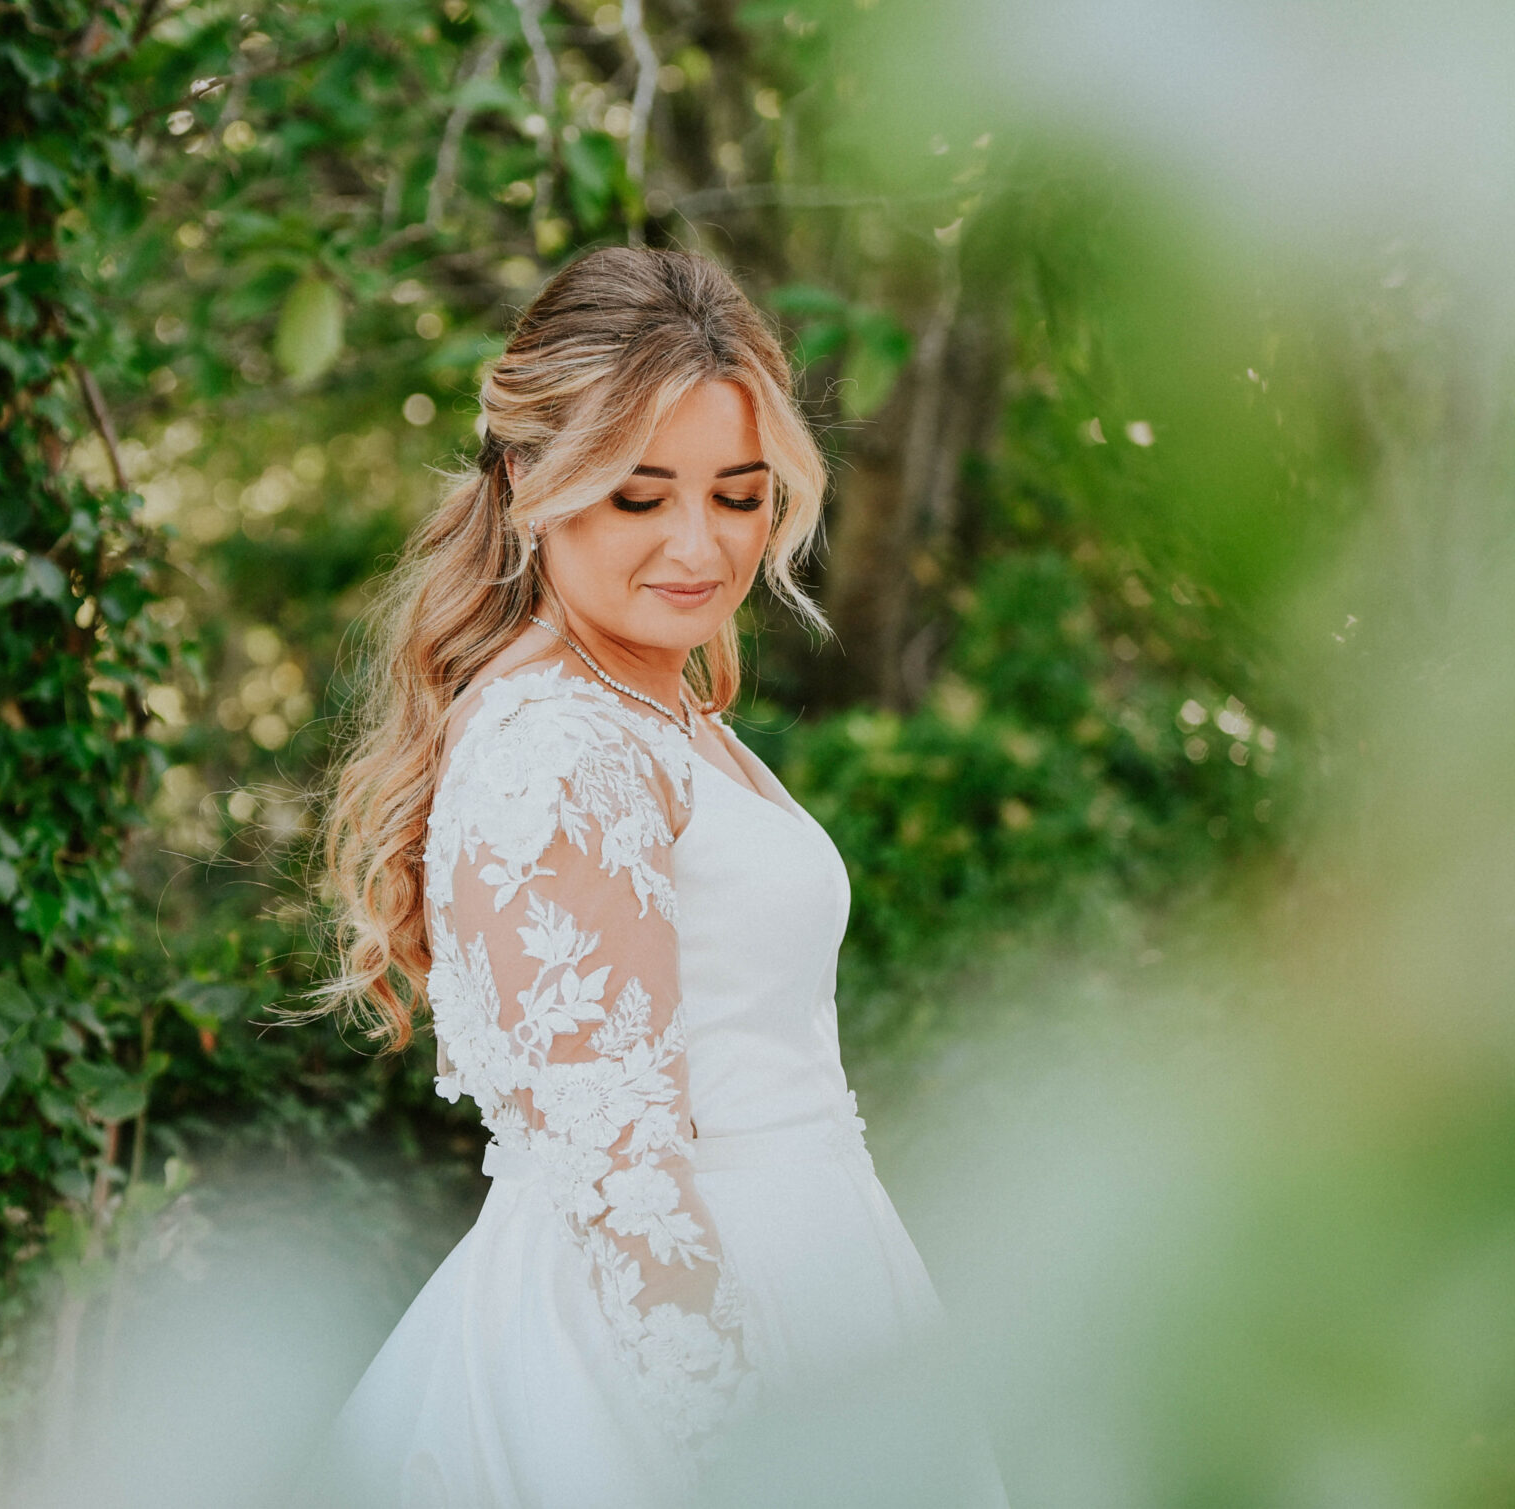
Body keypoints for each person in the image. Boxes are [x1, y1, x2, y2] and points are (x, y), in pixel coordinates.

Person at [307, 247, 1005, 1507]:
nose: (701, 544)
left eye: (740, 494)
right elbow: (621, 1182)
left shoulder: (652, 706)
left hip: (817, 1284)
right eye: (640, 496)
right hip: (655, 1354)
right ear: (531, 478)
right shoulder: (556, 744)